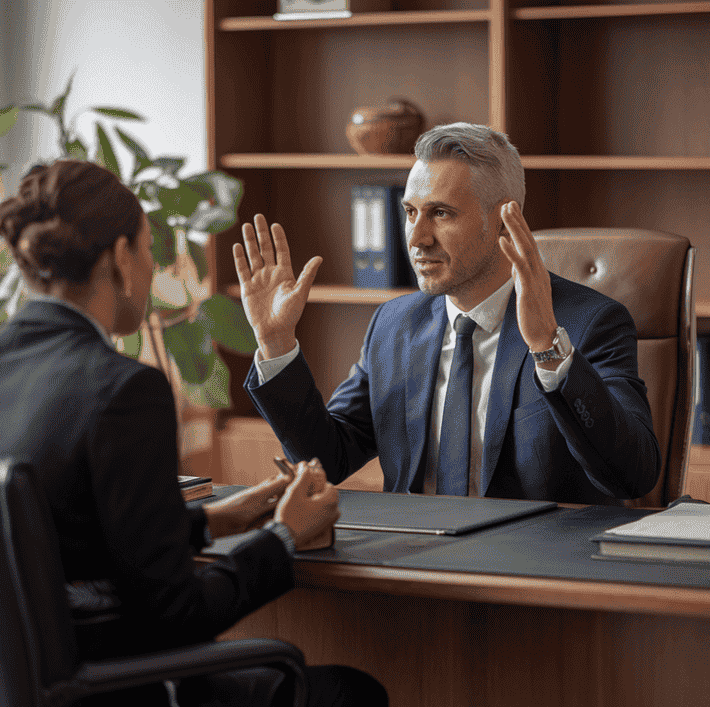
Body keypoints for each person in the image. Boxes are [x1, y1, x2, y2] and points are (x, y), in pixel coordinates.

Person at [0, 159, 388, 707]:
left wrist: (216, 521)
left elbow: (54, 540)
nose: (153, 271)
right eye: (151, 252)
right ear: (120, 257)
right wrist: (285, 539)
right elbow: (175, 619)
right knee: (352, 699)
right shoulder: (124, 389)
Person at [233, 122, 661, 505]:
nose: (417, 238)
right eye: (409, 212)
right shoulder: (394, 324)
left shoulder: (591, 323)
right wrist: (276, 343)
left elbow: (632, 478)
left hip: (529, 574)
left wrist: (548, 347)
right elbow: (329, 459)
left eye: (440, 213)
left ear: (503, 222)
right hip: (414, 564)